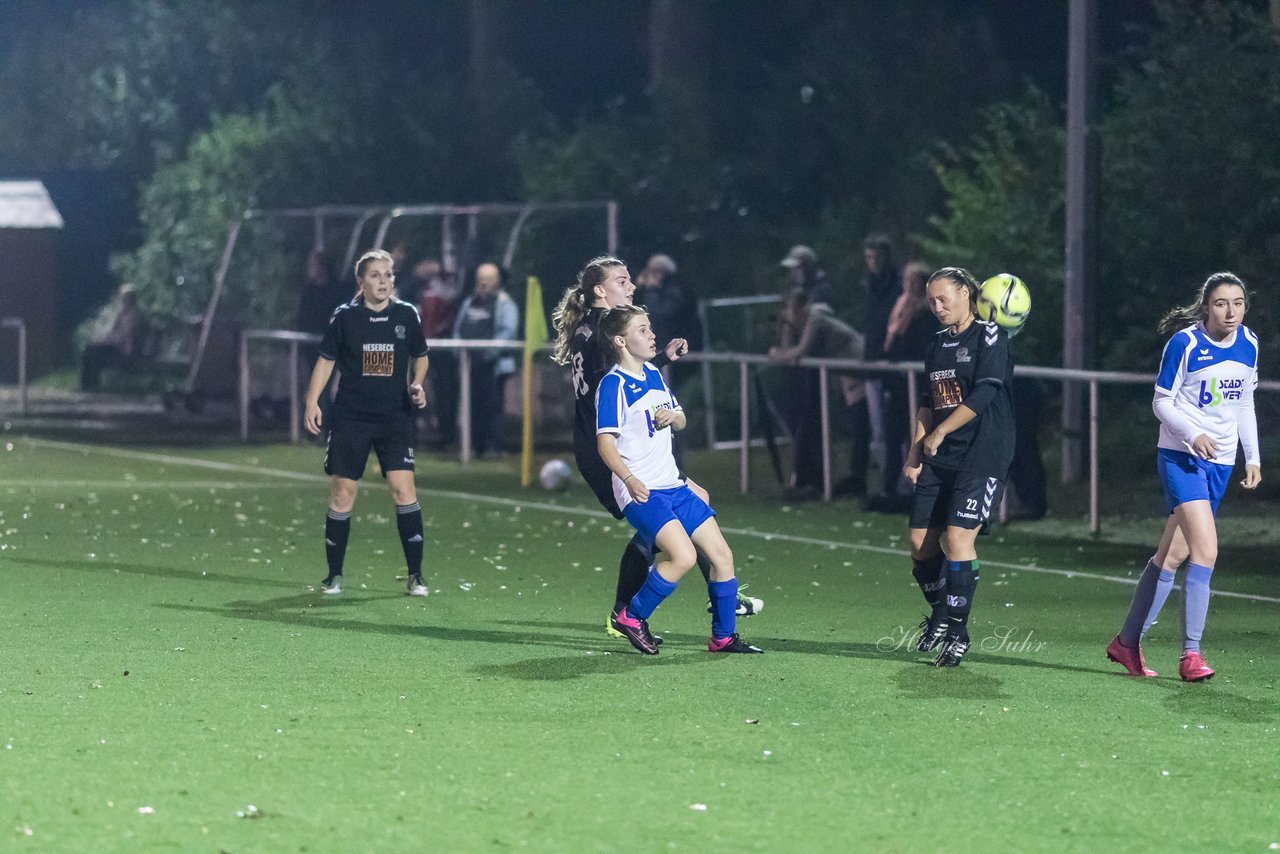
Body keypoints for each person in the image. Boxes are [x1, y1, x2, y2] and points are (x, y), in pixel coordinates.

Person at [550, 255, 763, 644]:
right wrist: (658, 361)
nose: (631, 286)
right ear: (600, 290)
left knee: (689, 504)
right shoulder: (603, 331)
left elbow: (630, 374)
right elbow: (617, 383)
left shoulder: (590, 327)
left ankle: (716, 594)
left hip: (611, 443)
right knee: (657, 528)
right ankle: (629, 613)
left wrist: (660, 362)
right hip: (611, 449)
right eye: (622, 281)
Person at [1106, 272, 1260, 682]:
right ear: (1206, 306)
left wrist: (1253, 457)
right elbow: (1162, 402)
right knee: (1205, 550)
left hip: (1221, 463)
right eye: (1222, 303)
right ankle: (1191, 655)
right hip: (1181, 458)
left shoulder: (1249, 343)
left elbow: (1245, 402)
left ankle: (1126, 642)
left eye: (1238, 303)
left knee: (1172, 555)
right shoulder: (1186, 344)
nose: (1231, 311)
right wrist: (1194, 434)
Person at [596, 304, 762, 655]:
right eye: (643, 330)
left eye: (649, 328)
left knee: (722, 556)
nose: (652, 335)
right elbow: (604, 443)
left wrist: (673, 416)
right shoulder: (613, 385)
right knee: (683, 557)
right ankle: (631, 616)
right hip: (643, 491)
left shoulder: (653, 375)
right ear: (621, 341)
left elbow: (682, 420)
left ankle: (723, 637)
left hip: (674, 485)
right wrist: (627, 478)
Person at [902, 267, 1015, 667]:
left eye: (944, 298)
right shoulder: (935, 344)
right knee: (920, 545)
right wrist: (917, 449)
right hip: (941, 454)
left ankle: (957, 630)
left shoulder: (991, 336)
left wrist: (939, 434)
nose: (937, 307)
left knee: (958, 538)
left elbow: (986, 392)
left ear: (966, 293)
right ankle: (939, 611)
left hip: (983, 453)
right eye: (931, 301)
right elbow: (927, 400)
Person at [303, 249, 430, 596]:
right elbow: (326, 360)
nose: (383, 281)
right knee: (343, 492)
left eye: (388, 275)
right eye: (375, 275)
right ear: (361, 282)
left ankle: (416, 575)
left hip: (395, 416)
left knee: (404, 490)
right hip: (352, 416)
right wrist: (312, 400)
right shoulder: (345, 318)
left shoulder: (406, 315)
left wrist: (417, 384)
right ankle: (334, 575)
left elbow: (421, 356)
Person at [768, 285, 869, 498]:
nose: (789, 314)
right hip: (845, 371)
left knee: (865, 423)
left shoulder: (815, 318)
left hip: (860, 364)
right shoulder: (802, 322)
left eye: (792, 309)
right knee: (859, 421)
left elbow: (800, 352)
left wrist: (779, 355)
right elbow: (791, 352)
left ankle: (858, 480)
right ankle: (848, 479)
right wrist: (787, 328)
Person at [868, 260, 938, 512]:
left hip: (919, 383)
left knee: (920, 437)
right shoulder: (900, 307)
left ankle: (924, 489)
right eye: (907, 280)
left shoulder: (929, 313)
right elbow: (891, 341)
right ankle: (891, 488)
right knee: (892, 433)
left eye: (915, 281)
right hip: (898, 384)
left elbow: (919, 346)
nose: (909, 286)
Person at [776, 245, 835, 498]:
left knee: (813, 423)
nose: (795, 274)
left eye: (798, 268)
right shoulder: (799, 291)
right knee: (799, 420)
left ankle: (818, 480)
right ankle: (803, 477)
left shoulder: (821, 291)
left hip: (816, 364)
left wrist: (786, 352)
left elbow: (813, 332)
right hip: (801, 368)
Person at [453, 262, 519, 457]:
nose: (483, 284)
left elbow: (508, 332)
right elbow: (458, 328)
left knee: (493, 406)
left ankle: (493, 446)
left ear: (497, 282)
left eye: (488, 280)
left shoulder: (505, 304)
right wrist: (459, 351)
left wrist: (487, 353)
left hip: (493, 366)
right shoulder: (469, 302)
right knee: (472, 407)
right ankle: (473, 445)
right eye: (481, 279)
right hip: (469, 366)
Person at [860, 234, 908, 504]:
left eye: (877, 257)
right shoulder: (869, 286)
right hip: (872, 365)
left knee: (896, 429)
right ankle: (888, 482)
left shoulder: (897, 286)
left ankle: (902, 483)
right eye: (869, 258)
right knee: (879, 430)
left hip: (892, 368)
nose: (873, 263)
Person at [415, 260, 462, 448]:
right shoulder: (430, 291)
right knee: (434, 391)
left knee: (446, 392)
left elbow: (443, 322)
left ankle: (448, 434)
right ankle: (441, 432)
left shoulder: (447, 294)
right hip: (430, 348)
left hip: (443, 351)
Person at [81, 283, 144, 391]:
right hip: (116, 346)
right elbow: (112, 331)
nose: (125, 300)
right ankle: (89, 383)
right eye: (123, 298)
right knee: (90, 350)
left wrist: (108, 340)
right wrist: (102, 339)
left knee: (93, 351)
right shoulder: (122, 314)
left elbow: (126, 336)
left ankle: (90, 384)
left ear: (133, 299)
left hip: (125, 349)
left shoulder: (134, 315)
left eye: (128, 298)